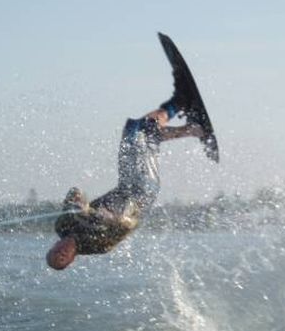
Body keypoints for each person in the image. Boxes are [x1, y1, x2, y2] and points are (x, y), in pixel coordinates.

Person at [46, 93, 203, 270]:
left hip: (126, 184)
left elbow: (73, 192)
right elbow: (129, 225)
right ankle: (186, 112)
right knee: (140, 132)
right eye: (62, 258)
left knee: (136, 131)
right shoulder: (98, 245)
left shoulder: (62, 225)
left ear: (52, 247)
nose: (61, 253)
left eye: (55, 253)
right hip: (141, 192)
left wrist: (76, 201)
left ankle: (187, 117)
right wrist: (113, 218)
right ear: (72, 259)